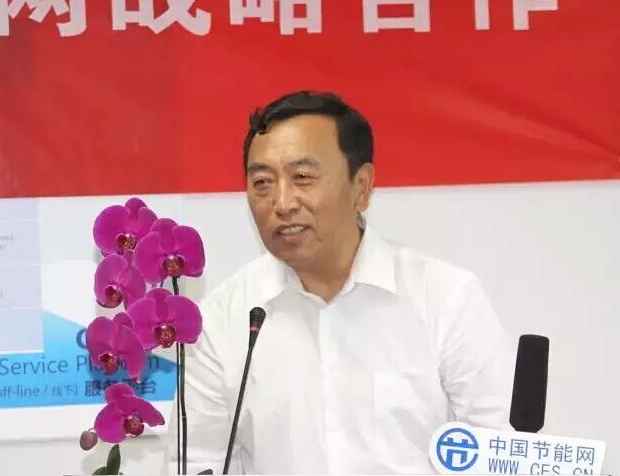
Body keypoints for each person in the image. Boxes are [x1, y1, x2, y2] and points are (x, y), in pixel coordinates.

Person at [166, 91, 514, 474]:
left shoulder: (445, 298)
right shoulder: (224, 318)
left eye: (303, 178)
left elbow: (501, 451)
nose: (282, 203)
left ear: (361, 187)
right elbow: (195, 462)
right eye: (262, 182)